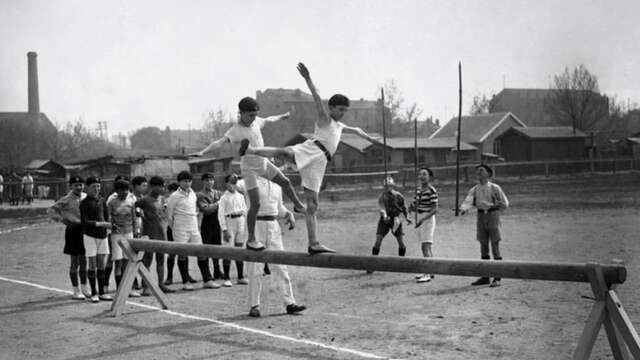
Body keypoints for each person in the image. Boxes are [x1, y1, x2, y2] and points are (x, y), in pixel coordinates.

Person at [243, 62, 378, 254]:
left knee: (313, 205)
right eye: (340, 109)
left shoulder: (339, 126)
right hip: (313, 149)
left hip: (320, 163)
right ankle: (251, 150)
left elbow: (356, 129)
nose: (342, 113)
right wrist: (308, 78)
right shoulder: (325, 118)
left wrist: (369, 138)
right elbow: (316, 98)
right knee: (285, 152)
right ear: (331, 108)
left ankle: (313, 243)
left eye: (345, 111)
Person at [193, 97, 306, 252]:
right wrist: (203, 152)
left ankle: (299, 206)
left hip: (263, 163)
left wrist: (283, 116)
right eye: (250, 115)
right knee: (256, 204)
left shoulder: (257, 121)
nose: (253, 118)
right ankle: (252, 239)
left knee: (285, 181)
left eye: (255, 115)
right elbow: (219, 143)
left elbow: (269, 119)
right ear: (241, 113)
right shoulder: (235, 130)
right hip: (249, 169)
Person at [247, 177, 306, 317]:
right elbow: (236, 186)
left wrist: (288, 214)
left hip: (273, 226)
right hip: (256, 226)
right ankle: (254, 305)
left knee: (280, 265)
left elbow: (278, 207)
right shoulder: (251, 180)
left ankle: (289, 303)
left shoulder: (277, 185)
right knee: (255, 268)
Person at [459, 164, 509, 287]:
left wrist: (496, 206)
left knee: (495, 245)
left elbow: (505, 203)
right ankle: (485, 276)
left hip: (493, 215)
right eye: (477, 171)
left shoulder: (494, 188)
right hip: (481, 216)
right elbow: (468, 201)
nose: (479, 172)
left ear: (488, 174)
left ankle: (497, 277)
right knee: (483, 245)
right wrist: (462, 209)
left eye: (481, 170)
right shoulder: (475, 189)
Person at [166, 171, 210, 290]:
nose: (187, 183)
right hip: (180, 229)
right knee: (182, 255)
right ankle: (186, 282)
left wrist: (197, 225)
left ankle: (207, 280)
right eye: (185, 181)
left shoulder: (193, 194)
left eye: (189, 181)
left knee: (201, 252)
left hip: (194, 227)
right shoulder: (174, 196)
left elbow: (195, 211)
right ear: (179, 182)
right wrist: (175, 228)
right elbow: (169, 215)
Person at [49, 175, 90, 299]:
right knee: (75, 261)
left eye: (81, 185)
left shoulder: (86, 197)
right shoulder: (66, 199)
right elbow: (51, 210)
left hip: (86, 230)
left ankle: (84, 287)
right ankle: (76, 290)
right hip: (73, 230)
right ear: (71, 186)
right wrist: (63, 220)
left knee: (84, 260)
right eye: (76, 185)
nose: (79, 187)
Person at [135, 176, 176, 294]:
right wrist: (139, 215)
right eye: (159, 186)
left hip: (162, 232)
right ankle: (146, 286)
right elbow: (133, 207)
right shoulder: (145, 200)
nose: (162, 188)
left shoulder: (163, 199)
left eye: (163, 186)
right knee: (147, 260)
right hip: (149, 233)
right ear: (152, 186)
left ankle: (161, 284)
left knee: (161, 259)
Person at [79, 176, 112, 302]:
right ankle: (94, 293)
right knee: (92, 264)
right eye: (94, 186)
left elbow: (106, 217)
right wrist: (101, 224)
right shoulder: (84, 203)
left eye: (98, 186)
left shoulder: (102, 200)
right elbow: (85, 222)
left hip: (102, 236)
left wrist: (108, 224)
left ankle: (102, 292)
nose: (97, 189)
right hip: (90, 236)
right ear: (87, 188)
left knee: (101, 264)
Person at [368, 176, 410, 274]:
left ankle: (401, 263)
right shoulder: (382, 196)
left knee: (401, 242)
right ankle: (373, 264)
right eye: (386, 186)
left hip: (396, 219)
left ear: (393, 186)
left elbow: (404, 207)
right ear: (384, 186)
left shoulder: (399, 195)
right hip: (384, 221)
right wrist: (385, 216)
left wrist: (407, 217)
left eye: (390, 186)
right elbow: (381, 208)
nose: (388, 188)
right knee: (378, 241)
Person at [217, 173, 248, 287]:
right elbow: (220, 215)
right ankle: (226, 278)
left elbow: (245, 209)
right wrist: (224, 229)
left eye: (235, 183)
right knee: (228, 250)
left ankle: (240, 277)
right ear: (226, 184)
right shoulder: (224, 198)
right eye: (230, 182)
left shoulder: (240, 196)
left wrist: (243, 219)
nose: (233, 185)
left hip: (240, 222)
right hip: (229, 222)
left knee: (239, 249)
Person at [409, 167, 438, 283]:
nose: (421, 176)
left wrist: (423, 219)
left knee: (426, 246)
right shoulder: (419, 190)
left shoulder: (431, 190)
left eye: (424, 174)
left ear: (429, 177)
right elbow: (416, 205)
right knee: (425, 246)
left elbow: (435, 209)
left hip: (428, 218)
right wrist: (412, 207)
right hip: (421, 217)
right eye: (420, 174)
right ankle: (430, 270)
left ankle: (427, 273)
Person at [196, 173, 223, 288]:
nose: (209, 182)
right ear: (203, 182)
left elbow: (223, 207)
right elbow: (206, 210)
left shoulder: (218, 193)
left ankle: (217, 270)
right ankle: (208, 273)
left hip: (217, 222)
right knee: (206, 248)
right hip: (207, 223)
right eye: (207, 180)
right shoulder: (200, 195)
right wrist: (217, 203)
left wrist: (215, 205)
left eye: (211, 180)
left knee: (217, 247)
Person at [164, 182, 180, 285]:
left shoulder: (181, 198)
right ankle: (169, 276)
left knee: (184, 252)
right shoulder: (168, 200)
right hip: (172, 228)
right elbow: (167, 211)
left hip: (182, 228)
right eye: (172, 191)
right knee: (172, 253)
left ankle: (186, 274)